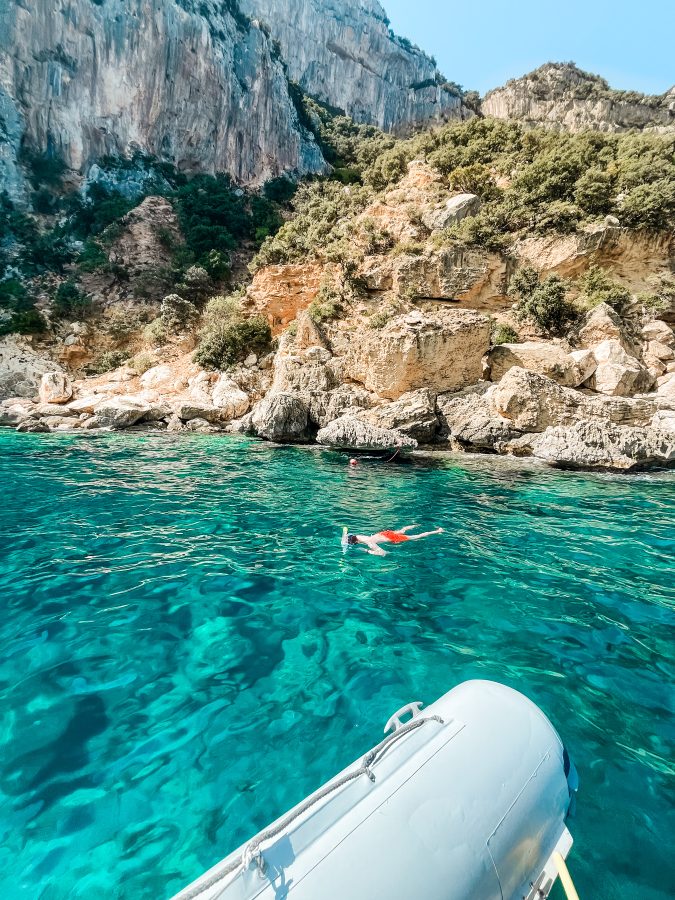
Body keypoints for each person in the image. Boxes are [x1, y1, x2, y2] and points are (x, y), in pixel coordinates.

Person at [342, 525, 443, 556]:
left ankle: (437, 531)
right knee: (402, 530)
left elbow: (382, 553)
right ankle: (415, 524)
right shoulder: (360, 536)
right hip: (384, 533)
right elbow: (350, 537)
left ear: (356, 542)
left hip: (391, 538)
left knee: (416, 536)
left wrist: (367, 551)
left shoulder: (369, 543)